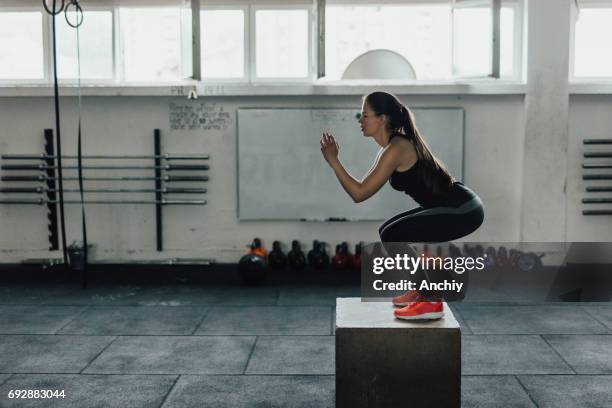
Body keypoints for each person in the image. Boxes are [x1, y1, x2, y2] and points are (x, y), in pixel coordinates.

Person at [320, 91, 484, 320]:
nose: (360, 120)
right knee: (389, 231)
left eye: (365, 115)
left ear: (382, 119)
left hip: (464, 209)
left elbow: (359, 194)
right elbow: (361, 189)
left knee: (394, 234)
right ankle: (422, 291)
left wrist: (334, 161)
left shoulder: (398, 148)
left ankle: (430, 300)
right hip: (457, 207)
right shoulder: (389, 149)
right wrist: (334, 161)